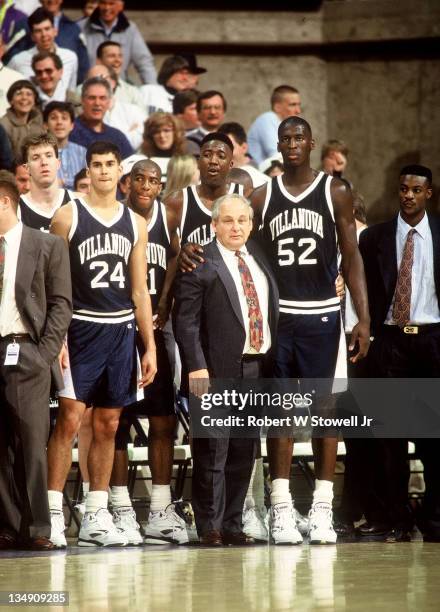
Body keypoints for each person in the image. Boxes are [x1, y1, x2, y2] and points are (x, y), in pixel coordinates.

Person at [253, 116, 370, 544]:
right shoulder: (263, 196)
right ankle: (281, 506)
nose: (292, 143)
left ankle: (322, 506)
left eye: (299, 136)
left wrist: (363, 316)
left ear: (311, 142)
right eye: (285, 138)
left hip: (323, 315)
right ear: (279, 146)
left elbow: (352, 257)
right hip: (280, 316)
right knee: (280, 412)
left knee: (326, 411)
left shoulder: (334, 190)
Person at [47, 140, 157, 548]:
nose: (104, 171)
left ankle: (96, 512)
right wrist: (56, 335)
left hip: (121, 330)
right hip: (79, 329)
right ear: (88, 171)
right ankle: (53, 512)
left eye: (111, 164)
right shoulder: (67, 216)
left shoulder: (136, 223)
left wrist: (150, 346)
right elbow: (53, 283)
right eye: (97, 165)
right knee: (70, 421)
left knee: (109, 425)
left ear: (119, 171)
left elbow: (140, 292)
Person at [174, 193, 279, 546]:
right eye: (228, 220)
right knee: (212, 453)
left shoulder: (258, 257)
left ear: (251, 224)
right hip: (213, 372)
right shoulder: (201, 262)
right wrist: (196, 367)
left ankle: (233, 524)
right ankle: (211, 527)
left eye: (242, 220)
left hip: (255, 369)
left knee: (243, 451)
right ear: (214, 224)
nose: (236, 227)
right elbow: (185, 323)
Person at [358, 164, 440, 543]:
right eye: (403, 189)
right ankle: (396, 517)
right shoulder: (374, 237)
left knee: (432, 436)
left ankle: (435, 515)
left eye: (416, 190)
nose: (408, 195)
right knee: (389, 438)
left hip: (432, 343)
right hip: (390, 343)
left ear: (428, 195)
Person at [112, 159, 185, 545]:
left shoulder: (169, 217)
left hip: (156, 331)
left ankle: (159, 506)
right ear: (127, 182)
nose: (144, 185)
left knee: (162, 420)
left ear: (160, 186)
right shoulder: (116, 218)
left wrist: (168, 299)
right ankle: (121, 508)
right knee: (116, 422)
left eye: (152, 180)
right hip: (120, 329)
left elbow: (175, 258)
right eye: (138, 178)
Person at [0, 170, 71, 551]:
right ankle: (7, 526)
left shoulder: (45, 245)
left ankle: (39, 528)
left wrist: (44, 355)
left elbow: (62, 303)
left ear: (5, 202)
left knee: (31, 442)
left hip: (26, 349)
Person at [163, 132, 243, 254]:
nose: (213, 161)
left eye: (221, 156)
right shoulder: (177, 202)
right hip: (194, 272)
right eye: (207, 155)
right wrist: (179, 255)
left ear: (231, 164)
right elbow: (164, 253)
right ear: (198, 161)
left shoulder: (244, 196)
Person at [5, 0, 89, 83]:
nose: (44, 34)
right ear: (32, 36)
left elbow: (75, 83)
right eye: (38, 31)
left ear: (55, 31)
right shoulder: (18, 60)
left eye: (47, 29)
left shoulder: (71, 54)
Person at [78, 0, 157, 85]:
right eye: (103, 3)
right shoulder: (81, 27)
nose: (107, 8)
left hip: (120, 87)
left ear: (121, 6)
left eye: (111, 3)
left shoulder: (130, 29)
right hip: (88, 87)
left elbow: (144, 62)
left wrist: (153, 89)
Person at [18, 132, 74, 231]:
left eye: (48, 156)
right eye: (36, 158)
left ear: (58, 163)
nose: (44, 162)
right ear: (27, 168)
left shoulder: (77, 202)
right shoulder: (16, 209)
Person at [69, 76, 133, 158]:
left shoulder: (117, 137)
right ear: (82, 100)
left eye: (102, 98)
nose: (97, 103)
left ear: (109, 102)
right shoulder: (69, 131)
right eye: (92, 98)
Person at [247, 85, 301, 165]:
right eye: (292, 105)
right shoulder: (267, 119)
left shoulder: (285, 126)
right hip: (256, 174)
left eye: (299, 105)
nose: (298, 111)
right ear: (277, 107)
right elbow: (278, 157)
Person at [140, 55, 206, 116]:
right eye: (182, 73)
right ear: (168, 72)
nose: (185, 78)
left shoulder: (197, 101)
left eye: (190, 75)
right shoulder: (148, 91)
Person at [43, 100, 86, 190]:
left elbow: (87, 181)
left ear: (72, 125)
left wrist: (63, 182)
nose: (59, 122)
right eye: (54, 118)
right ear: (45, 125)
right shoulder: (40, 153)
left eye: (64, 118)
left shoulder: (82, 152)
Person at [218, 121, 270, 189]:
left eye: (229, 148)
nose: (223, 154)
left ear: (244, 148)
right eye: (219, 149)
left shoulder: (263, 179)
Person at [0, 79, 43, 159]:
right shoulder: (3, 125)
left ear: (34, 100)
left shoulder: (40, 121)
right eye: (19, 94)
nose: (24, 98)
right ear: (11, 101)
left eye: (29, 94)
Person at [95, 40, 144, 109]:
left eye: (120, 56)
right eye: (111, 56)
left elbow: (142, 118)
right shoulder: (83, 90)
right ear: (99, 61)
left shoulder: (133, 92)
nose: (117, 60)